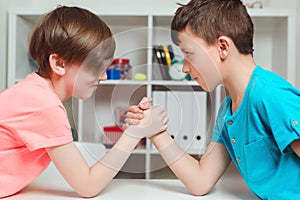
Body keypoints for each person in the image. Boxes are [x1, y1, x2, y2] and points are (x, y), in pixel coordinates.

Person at [124, 0, 300, 199]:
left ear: (223, 47)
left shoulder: (271, 95)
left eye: (189, 54)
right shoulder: (228, 110)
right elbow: (200, 180)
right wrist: (155, 131)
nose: (184, 68)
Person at [0, 6, 168, 198]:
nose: (104, 76)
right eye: (96, 67)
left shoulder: (33, 91)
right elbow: (88, 185)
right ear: (59, 64)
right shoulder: (45, 106)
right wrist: (135, 133)